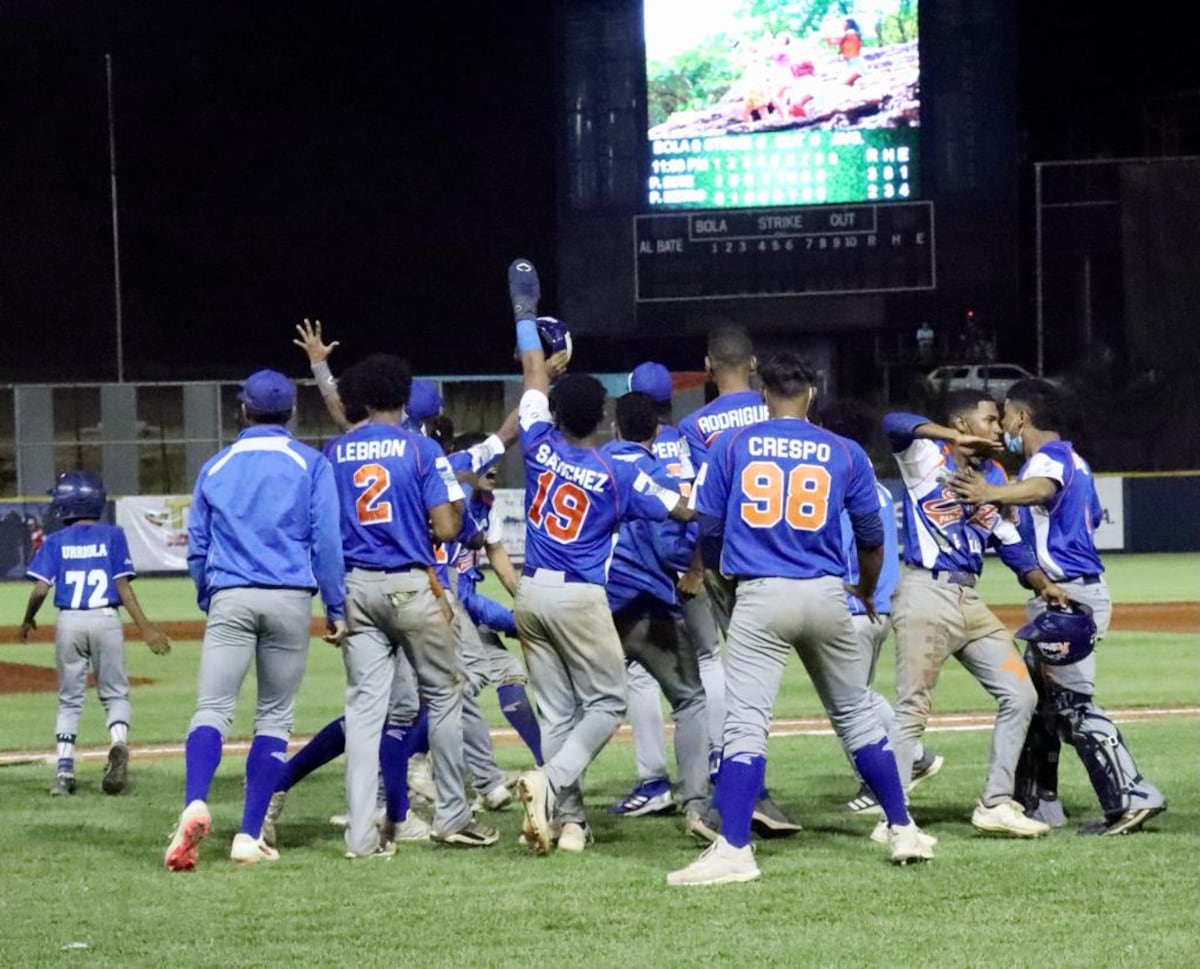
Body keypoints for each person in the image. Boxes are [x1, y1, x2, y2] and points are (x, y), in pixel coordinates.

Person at [668, 351, 935, 886]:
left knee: (746, 725)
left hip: (762, 592)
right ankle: (903, 828)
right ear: (811, 393)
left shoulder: (732, 444)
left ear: (764, 394)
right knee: (857, 716)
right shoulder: (844, 450)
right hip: (825, 592)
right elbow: (872, 538)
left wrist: (721, 576)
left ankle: (735, 849)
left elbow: (710, 527)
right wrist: (864, 588)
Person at [506, 257, 693, 855]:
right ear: (605, 420)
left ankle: (570, 824)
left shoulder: (538, 443)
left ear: (557, 414)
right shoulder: (618, 473)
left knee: (558, 712)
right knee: (608, 702)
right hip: (581, 597)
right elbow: (680, 511)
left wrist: (525, 312)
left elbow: (532, 373)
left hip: (530, 591)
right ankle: (551, 781)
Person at [947, 378, 1166, 835]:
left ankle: (1134, 796)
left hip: (1069, 596)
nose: (1002, 424)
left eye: (1006, 414)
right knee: (1041, 706)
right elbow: (1064, 507)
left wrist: (991, 493)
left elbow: (1043, 489)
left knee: (1072, 705)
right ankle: (1038, 803)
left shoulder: (1049, 458)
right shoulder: (1071, 459)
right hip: (1064, 593)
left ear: (1022, 417)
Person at [165, 369, 347, 871]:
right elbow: (326, 542)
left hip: (232, 594)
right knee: (274, 718)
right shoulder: (310, 463)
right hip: (289, 599)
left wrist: (209, 594)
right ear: (292, 412)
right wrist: (335, 606)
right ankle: (248, 835)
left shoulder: (217, 466)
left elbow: (198, 548)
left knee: (212, 709)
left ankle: (195, 802)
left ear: (243, 410)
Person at [324, 352, 498, 856]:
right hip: (410, 584)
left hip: (355, 587)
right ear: (403, 397)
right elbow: (446, 527)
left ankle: (361, 836)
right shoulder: (421, 448)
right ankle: (453, 815)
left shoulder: (336, 451)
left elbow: (324, 530)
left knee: (364, 712)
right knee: (443, 696)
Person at [882, 390, 1070, 840]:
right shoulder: (925, 454)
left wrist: (1042, 583)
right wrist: (950, 438)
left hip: (969, 601)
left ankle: (995, 803)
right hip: (926, 593)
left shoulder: (995, 474)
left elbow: (1007, 538)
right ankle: (893, 817)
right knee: (913, 707)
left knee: (1020, 694)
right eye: (989, 420)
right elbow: (894, 420)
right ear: (963, 424)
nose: (999, 428)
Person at [677, 326, 800, 838]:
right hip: (793, 556)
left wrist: (698, 567)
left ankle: (738, 793)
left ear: (708, 367)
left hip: (730, 559)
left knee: (735, 677)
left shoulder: (693, 426)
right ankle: (747, 795)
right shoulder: (781, 408)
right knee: (835, 687)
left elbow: (699, 506)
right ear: (752, 365)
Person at [814, 400, 942, 816]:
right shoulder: (877, 483)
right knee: (860, 695)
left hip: (856, 602)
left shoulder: (842, 480)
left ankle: (880, 781)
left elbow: (838, 546)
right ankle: (915, 757)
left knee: (848, 704)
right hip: (882, 602)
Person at [611, 361, 725, 819]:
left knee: (640, 674)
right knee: (708, 660)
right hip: (691, 562)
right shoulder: (687, 440)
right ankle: (714, 760)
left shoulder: (622, 452)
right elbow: (707, 502)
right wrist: (697, 568)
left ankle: (655, 781)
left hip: (645, 570)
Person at [21, 470, 170, 797]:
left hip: (70, 621)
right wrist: (145, 628)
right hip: (106, 619)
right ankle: (118, 743)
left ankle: (64, 772)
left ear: (66, 504)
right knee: (115, 694)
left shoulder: (56, 541)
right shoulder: (113, 535)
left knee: (69, 700)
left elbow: (40, 590)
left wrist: (28, 619)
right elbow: (123, 587)